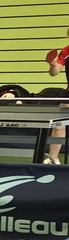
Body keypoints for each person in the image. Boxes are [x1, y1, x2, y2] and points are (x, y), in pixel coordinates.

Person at [46, 30, 68, 165]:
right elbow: (54, 73)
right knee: (59, 125)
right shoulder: (66, 51)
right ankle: (53, 159)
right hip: (68, 93)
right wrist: (53, 66)